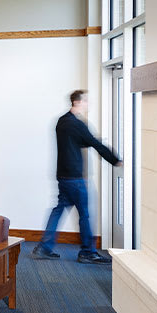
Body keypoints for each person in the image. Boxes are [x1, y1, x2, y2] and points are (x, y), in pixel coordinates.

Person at [34, 90, 121, 265]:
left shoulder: (61, 121)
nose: (88, 104)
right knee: (85, 215)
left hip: (63, 176)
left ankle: (44, 247)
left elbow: (76, 141)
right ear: (77, 102)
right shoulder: (77, 124)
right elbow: (94, 143)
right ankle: (88, 252)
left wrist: (88, 140)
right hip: (74, 178)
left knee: (59, 210)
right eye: (86, 101)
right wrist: (115, 160)